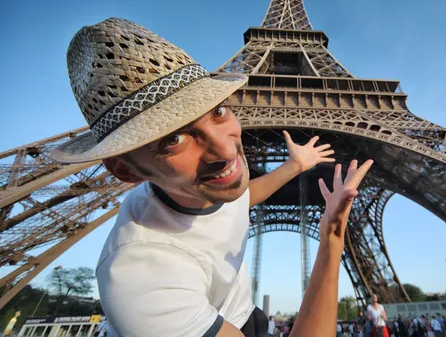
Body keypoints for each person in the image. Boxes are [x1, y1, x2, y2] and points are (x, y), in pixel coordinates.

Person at [51, 17, 374, 337]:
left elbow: (244, 197)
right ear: (126, 170)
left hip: (244, 314)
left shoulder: (192, 188)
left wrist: (295, 166)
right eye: (173, 139)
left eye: (218, 112)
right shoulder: (140, 277)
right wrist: (332, 236)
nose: (226, 150)